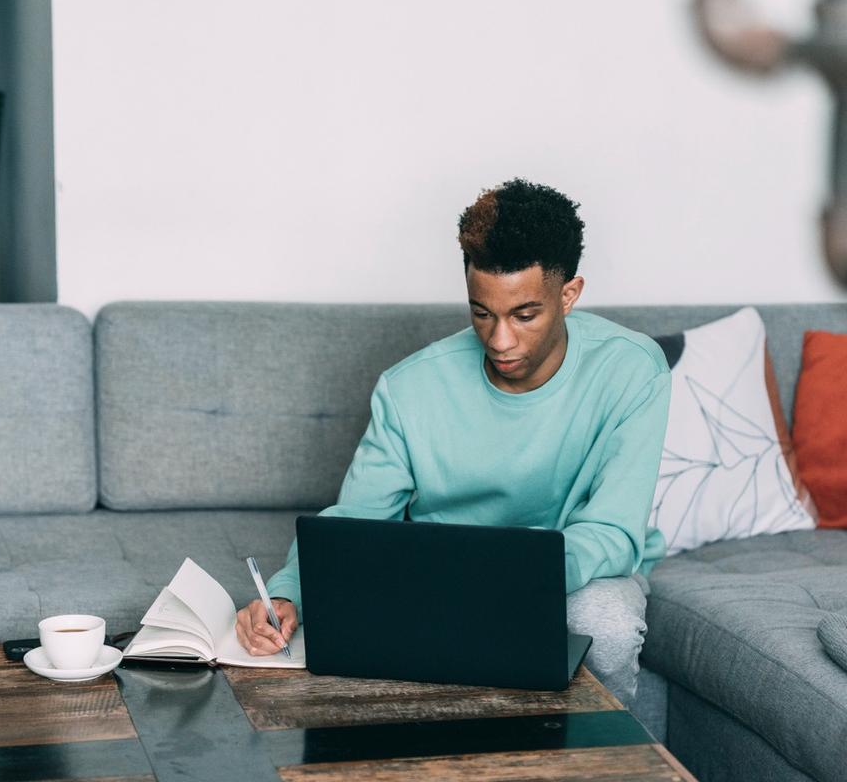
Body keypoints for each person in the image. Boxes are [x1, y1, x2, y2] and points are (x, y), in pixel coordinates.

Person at [234, 178, 671, 705]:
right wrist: (286, 593)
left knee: (607, 621)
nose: (499, 340)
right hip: (438, 580)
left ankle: (610, 759)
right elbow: (356, 522)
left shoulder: (633, 368)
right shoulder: (408, 387)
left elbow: (612, 531)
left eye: (524, 315)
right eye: (482, 313)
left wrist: (509, 578)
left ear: (569, 295)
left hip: (571, 570)